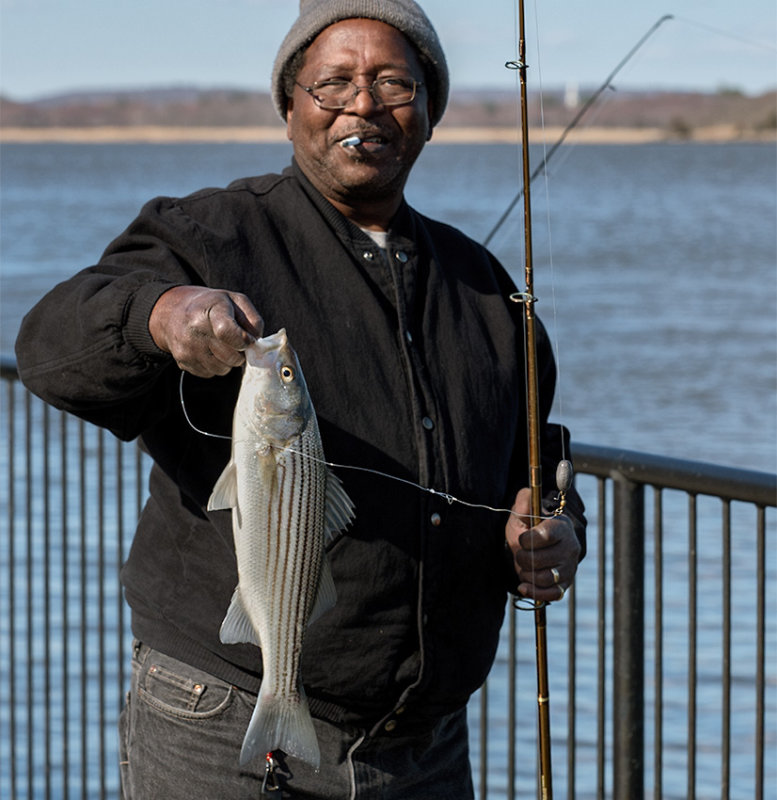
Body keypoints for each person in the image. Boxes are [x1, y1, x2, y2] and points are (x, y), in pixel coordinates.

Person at [15, 1, 586, 797]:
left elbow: (538, 460)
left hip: (424, 750)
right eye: (333, 84)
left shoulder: (485, 289)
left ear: (427, 112)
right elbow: (50, 348)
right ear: (289, 109)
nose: (364, 104)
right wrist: (161, 313)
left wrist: (554, 530)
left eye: (394, 82)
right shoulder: (209, 234)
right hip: (218, 725)